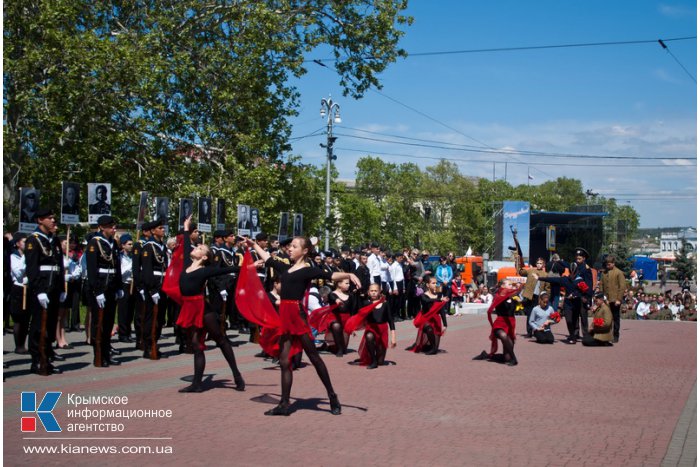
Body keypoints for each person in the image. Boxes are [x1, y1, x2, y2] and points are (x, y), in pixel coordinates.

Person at [242, 236, 361, 416]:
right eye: (290, 246)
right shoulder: (287, 268)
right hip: (285, 317)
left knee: (314, 357)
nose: (290, 249)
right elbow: (269, 259)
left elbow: (329, 275)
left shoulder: (307, 270)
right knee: (284, 361)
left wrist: (349, 274)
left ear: (304, 251)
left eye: (294, 246)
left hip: (297, 316)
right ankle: (284, 404)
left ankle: (332, 396)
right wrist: (254, 245)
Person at [169, 215, 248, 393]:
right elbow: (187, 243)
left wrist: (248, 267)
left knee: (221, 340)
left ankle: (236, 375)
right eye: (197, 246)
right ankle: (197, 384)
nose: (196, 247)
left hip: (203, 309)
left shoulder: (205, 270)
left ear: (204, 257)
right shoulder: (187, 265)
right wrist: (186, 227)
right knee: (196, 345)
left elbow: (227, 269)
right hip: (188, 308)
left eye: (200, 248)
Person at [25, 208, 66, 375]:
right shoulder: (33, 240)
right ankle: (37, 360)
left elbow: (60, 266)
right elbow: (32, 268)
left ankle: (47, 357)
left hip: (54, 288)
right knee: (37, 327)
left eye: (53, 218)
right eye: (49, 218)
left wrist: (62, 287)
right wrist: (39, 290)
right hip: (41, 290)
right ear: (40, 220)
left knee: (50, 325)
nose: (53, 221)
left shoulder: (54, 240)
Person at [86, 215, 123, 367]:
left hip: (111, 287)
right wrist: (97, 291)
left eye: (114, 225)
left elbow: (117, 267)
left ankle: (106, 353)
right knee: (98, 323)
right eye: (110, 226)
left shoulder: (112, 243)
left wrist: (119, 286)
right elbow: (92, 270)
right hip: (100, 288)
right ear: (101, 227)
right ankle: (98, 355)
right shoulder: (94, 243)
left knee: (108, 323)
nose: (113, 228)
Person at [345, 283, 396, 369]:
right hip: (371, 329)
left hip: (382, 330)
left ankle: (374, 359)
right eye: (371, 291)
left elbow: (390, 320)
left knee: (381, 362)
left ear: (380, 292)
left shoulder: (385, 304)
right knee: (369, 336)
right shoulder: (366, 303)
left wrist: (393, 337)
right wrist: (353, 328)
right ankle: (373, 360)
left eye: (375, 291)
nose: (373, 293)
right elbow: (359, 317)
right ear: (368, 292)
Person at [473, 279, 522, 366]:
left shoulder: (514, 298)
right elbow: (504, 298)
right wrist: (516, 291)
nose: (511, 286)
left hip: (510, 324)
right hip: (500, 324)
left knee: (506, 358)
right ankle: (514, 359)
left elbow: (513, 314)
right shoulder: (498, 296)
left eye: (512, 284)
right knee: (503, 336)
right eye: (509, 284)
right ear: (503, 286)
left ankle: (486, 355)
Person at [141, 218, 169, 359]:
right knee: (151, 318)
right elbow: (146, 271)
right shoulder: (148, 247)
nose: (163, 230)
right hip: (154, 287)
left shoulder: (161, 246)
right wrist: (152, 290)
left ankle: (155, 343)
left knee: (159, 319)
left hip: (162, 285)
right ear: (153, 231)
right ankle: (147, 346)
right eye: (160, 228)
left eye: (163, 228)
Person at [406, 276, 448, 355]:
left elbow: (441, 310)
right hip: (426, 319)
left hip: (436, 319)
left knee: (433, 348)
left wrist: (445, 324)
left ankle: (428, 346)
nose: (435, 285)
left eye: (436, 283)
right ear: (428, 285)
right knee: (429, 329)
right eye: (433, 283)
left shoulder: (439, 294)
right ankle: (431, 347)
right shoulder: (423, 295)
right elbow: (427, 301)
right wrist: (440, 300)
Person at [9, 232, 29, 354]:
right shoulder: (13, 257)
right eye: (24, 241)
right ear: (17, 243)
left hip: (28, 288)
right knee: (18, 318)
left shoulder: (28, 255)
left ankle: (23, 343)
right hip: (18, 288)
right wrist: (25, 258)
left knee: (26, 319)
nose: (26, 244)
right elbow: (18, 273)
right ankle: (18, 345)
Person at [519, 257, 548, 338]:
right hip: (530, 296)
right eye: (538, 263)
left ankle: (537, 330)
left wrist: (546, 297)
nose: (539, 265)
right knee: (529, 314)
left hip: (539, 297)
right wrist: (518, 261)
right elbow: (521, 272)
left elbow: (547, 288)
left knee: (538, 315)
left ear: (543, 265)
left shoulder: (545, 275)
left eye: (541, 263)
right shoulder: (531, 270)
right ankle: (529, 332)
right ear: (536, 264)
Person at [599, 255, 626, 343]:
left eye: (609, 264)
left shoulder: (619, 273)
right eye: (607, 264)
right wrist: (601, 297)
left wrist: (619, 299)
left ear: (613, 264)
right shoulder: (604, 273)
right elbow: (601, 285)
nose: (608, 266)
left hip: (615, 300)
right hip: (606, 299)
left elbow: (622, 287)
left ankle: (615, 335)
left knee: (615, 318)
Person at [117, 233, 135, 343]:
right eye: (129, 244)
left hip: (132, 284)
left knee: (130, 310)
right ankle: (122, 333)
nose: (131, 246)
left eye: (132, 244)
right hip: (123, 284)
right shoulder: (119, 256)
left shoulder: (133, 256)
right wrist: (130, 267)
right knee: (123, 310)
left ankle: (128, 332)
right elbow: (120, 272)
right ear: (123, 245)